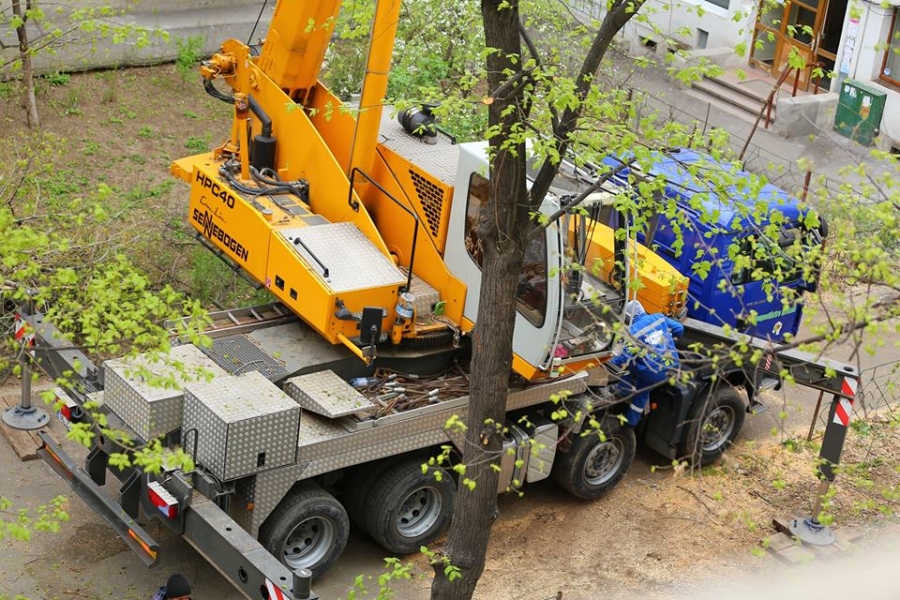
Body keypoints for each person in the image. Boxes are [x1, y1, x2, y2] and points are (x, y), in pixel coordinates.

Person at [609, 299, 684, 427]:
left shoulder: (632, 332)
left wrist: (607, 361)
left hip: (651, 373)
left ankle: (624, 391)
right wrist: (669, 343)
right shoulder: (659, 318)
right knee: (643, 391)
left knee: (627, 364)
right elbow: (679, 328)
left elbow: (623, 358)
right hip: (671, 365)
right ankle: (630, 424)